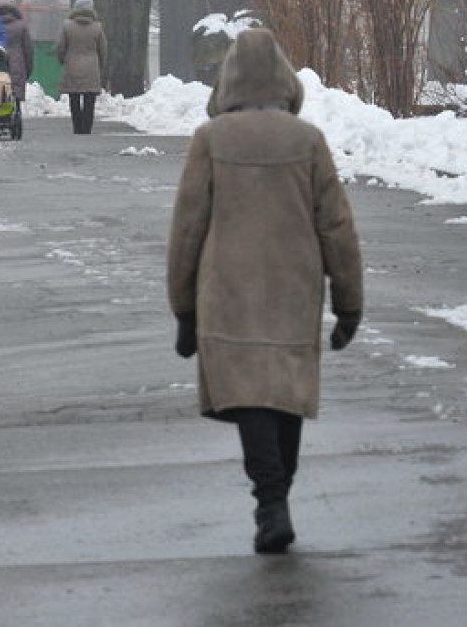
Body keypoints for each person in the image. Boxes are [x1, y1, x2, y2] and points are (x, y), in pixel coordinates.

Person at [166, 28, 364, 555]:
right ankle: (278, 498)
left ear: (228, 81)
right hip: (294, 292)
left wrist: (184, 309)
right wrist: (349, 304)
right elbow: (337, 226)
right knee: (284, 397)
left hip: (227, 293)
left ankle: (269, 499)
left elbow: (188, 227)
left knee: (250, 395)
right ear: (285, 80)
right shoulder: (308, 142)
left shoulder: (212, 140)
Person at [55, 0, 106, 134]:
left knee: (74, 98)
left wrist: (62, 60)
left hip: (72, 65)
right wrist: (100, 65)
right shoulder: (97, 27)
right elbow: (103, 49)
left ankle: (77, 127)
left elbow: (60, 47)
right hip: (91, 68)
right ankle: (87, 128)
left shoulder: (67, 26)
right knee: (90, 100)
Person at [0, 0, 34, 102]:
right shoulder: (21, 26)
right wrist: (28, 69)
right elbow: (28, 50)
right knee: (15, 95)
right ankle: (17, 113)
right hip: (17, 65)